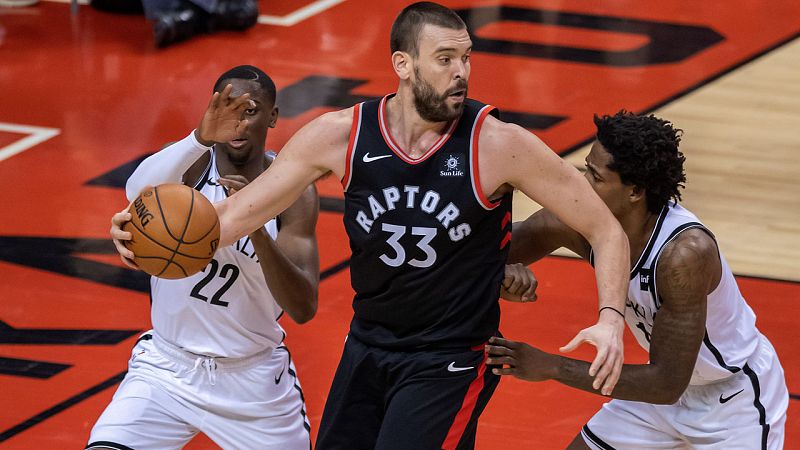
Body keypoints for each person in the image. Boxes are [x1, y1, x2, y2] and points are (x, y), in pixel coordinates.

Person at [111, 3, 630, 448]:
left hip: (449, 357)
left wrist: (609, 318)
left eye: (466, 57)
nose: (462, 72)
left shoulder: (498, 143)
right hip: (368, 345)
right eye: (445, 59)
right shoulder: (340, 135)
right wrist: (140, 237)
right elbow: (230, 218)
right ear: (403, 65)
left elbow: (605, 229)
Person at [488, 110, 789, 449]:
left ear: (634, 192)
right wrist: (501, 269)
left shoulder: (684, 256)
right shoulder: (575, 221)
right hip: (661, 394)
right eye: (585, 167)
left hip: (732, 401)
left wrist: (551, 367)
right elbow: (487, 253)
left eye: (595, 177)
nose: (580, 183)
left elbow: (665, 383)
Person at [91, 65, 320, 450]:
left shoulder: (292, 190)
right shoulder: (188, 165)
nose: (238, 122)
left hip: (254, 381)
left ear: (274, 116)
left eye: (250, 111)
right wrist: (198, 138)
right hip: (166, 369)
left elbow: (303, 307)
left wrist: (254, 228)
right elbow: (134, 191)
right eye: (228, 108)